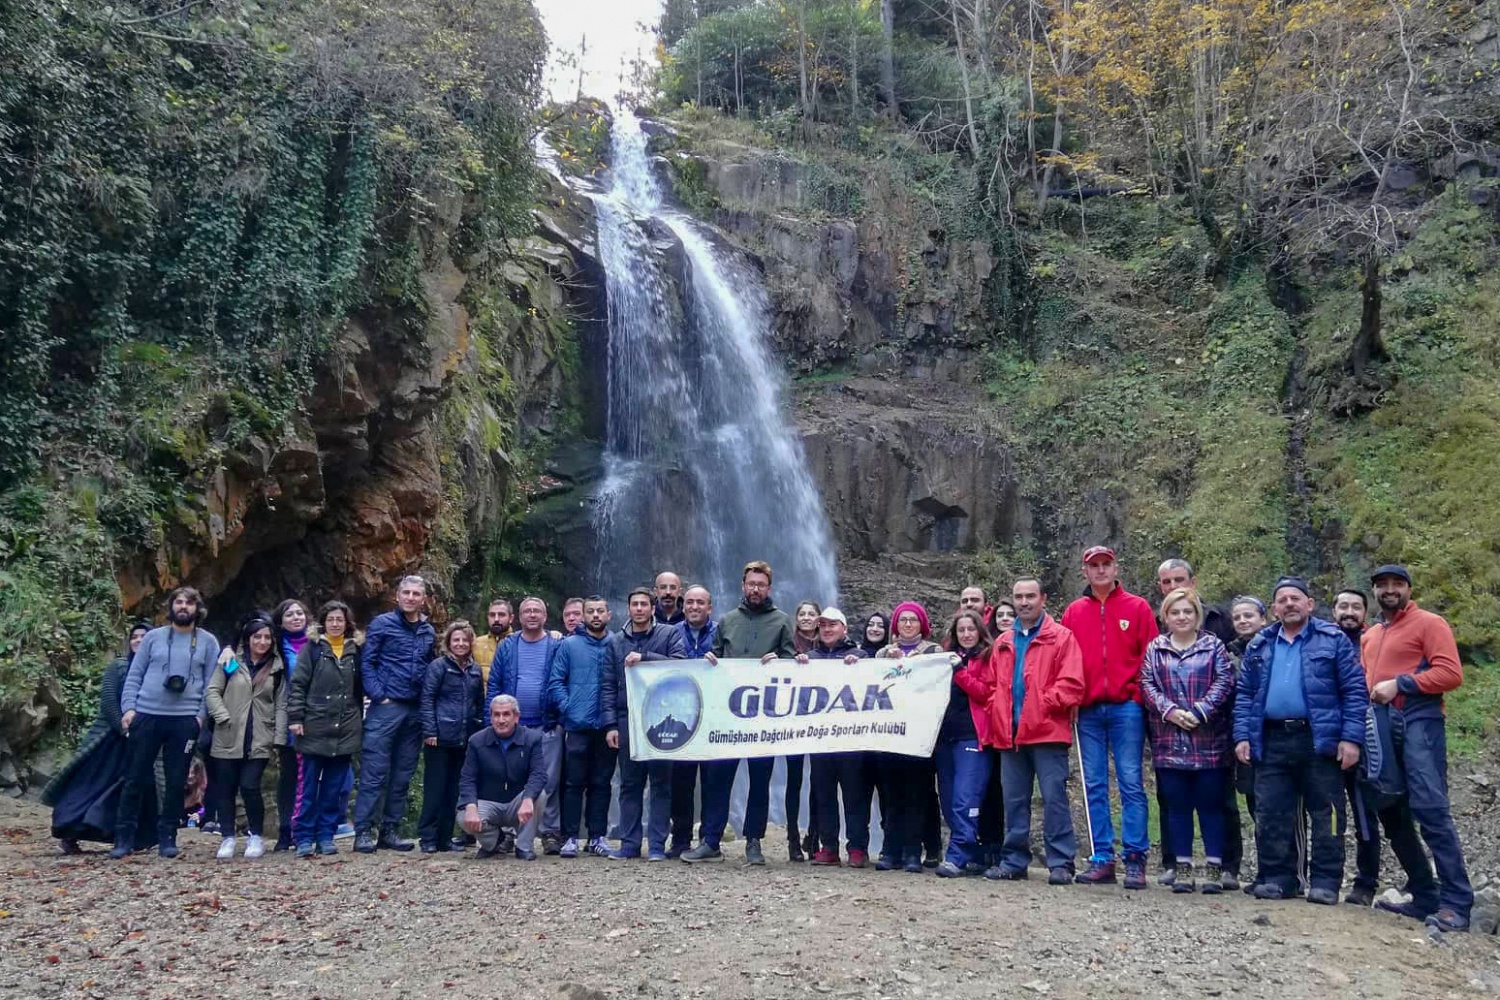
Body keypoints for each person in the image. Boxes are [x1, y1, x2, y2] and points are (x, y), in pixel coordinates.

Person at [1233, 576, 1366, 904]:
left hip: (1320, 739)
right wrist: (1242, 736)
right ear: (1274, 608)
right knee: (1272, 811)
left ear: (1309, 604)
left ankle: (1325, 880)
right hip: (1272, 737)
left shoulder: (1332, 640)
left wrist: (1351, 739)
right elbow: (1246, 694)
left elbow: (1354, 691)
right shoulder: (1261, 644)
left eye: (1296, 598)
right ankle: (1280, 878)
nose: (1289, 603)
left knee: (1328, 812)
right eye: (1282, 599)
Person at [1361, 565, 1473, 932]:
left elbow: (1450, 673)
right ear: (1375, 591)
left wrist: (1400, 683)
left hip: (1419, 722)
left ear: (1409, 589)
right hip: (1380, 726)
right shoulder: (1372, 633)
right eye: (1383, 585)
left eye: (1397, 584)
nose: (1390, 590)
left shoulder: (1430, 623)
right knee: (1391, 809)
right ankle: (1425, 893)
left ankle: (1457, 902)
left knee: (1430, 809)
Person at [686, 561, 797, 865]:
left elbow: (792, 665)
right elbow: (717, 655)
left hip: (764, 716)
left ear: (769, 588)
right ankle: (711, 841)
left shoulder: (782, 621)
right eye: (751, 583)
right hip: (728, 715)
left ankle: (754, 841)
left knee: (760, 780)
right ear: (743, 585)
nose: (756, 589)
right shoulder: (727, 620)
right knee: (718, 779)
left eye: (761, 584)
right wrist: (710, 658)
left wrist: (781, 660)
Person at [1062, 546, 1158, 888]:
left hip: (1126, 706)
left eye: (1106, 564)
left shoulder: (1137, 607)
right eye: (1094, 566)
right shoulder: (1074, 612)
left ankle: (1135, 857)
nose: (1100, 571)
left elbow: (1151, 655)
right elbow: (1066, 659)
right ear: (1085, 572)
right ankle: (1102, 856)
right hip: (1086, 709)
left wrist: (1136, 693)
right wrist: (1072, 697)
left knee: (1131, 781)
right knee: (1094, 784)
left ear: (1116, 568)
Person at [980, 577, 1084, 884]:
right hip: (1009, 734)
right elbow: (991, 687)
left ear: (1043, 599)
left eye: (1030, 596)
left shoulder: (1062, 637)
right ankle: (1014, 860)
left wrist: (1039, 705)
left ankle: (1061, 863)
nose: (1024, 602)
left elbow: (1072, 684)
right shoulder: (1003, 642)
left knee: (1054, 798)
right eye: (1018, 597)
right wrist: (997, 711)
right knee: (1013, 800)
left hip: (1048, 732)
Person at [113, 588, 221, 859]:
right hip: (147, 714)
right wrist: (129, 708)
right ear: (171, 607)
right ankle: (124, 838)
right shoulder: (153, 638)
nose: (183, 607)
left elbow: (212, 683)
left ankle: (168, 837)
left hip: (184, 719)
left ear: (198, 609)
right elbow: (135, 674)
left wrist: (200, 716)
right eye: (179, 602)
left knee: (176, 781)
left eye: (189, 603)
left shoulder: (207, 642)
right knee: (134, 777)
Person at [1140, 589, 1235, 894]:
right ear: (1165, 617)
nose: (1181, 617)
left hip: (1209, 740)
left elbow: (1225, 681)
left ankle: (1214, 867)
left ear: (1197, 615)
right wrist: (1170, 711)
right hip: (1169, 739)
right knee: (1177, 807)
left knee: (1211, 806)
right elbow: (1147, 683)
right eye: (1175, 612)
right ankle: (1182, 867)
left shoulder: (1214, 646)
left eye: (1187, 612)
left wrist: (1200, 711)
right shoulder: (1156, 648)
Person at [45, 622, 158, 854]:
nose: (138, 640)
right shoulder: (118, 667)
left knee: (134, 789)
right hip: (110, 740)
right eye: (134, 636)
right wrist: (123, 728)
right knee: (90, 786)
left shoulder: (156, 672)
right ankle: (69, 832)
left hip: (142, 741)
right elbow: (108, 702)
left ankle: (132, 838)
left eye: (143, 636)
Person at [354, 575, 436, 853]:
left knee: (403, 774)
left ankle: (390, 829)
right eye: (407, 593)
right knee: (374, 771)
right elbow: (367, 662)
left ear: (423, 599)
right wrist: (379, 695)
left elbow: (428, 667)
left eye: (416, 594)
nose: (411, 598)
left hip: (414, 709)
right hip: (386, 707)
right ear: (397, 596)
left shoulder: (428, 631)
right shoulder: (381, 624)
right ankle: (364, 831)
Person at [604, 588, 686, 860]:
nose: (639, 609)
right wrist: (611, 726)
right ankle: (629, 845)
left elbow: (680, 666)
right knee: (629, 784)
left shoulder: (669, 634)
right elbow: (607, 686)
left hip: (662, 720)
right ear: (628, 609)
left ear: (653, 609)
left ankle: (656, 847)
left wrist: (646, 658)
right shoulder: (615, 642)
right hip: (627, 720)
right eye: (634, 604)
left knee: (661, 783)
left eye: (644, 604)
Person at [205, 616, 288, 860]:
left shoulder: (277, 667)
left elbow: (282, 704)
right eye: (257, 637)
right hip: (228, 733)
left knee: (250, 786)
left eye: (266, 637)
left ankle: (255, 836)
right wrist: (221, 716)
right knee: (226, 788)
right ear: (248, 639)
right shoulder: (232, 662)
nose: (262, 642)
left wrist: (279, 736)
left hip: (260, 735)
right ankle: (228, 836)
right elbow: (212, 691)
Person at [487, 596, 565, 855]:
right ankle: (509, 833)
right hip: (512, 730)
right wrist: (493, 719)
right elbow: (495, 684)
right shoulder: (508, 646)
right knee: (511, 780)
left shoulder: (556, 645)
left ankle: (550, 832)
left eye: (537, 611)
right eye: (527, 611)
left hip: (547, 724)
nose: (532, 615)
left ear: (545, 616)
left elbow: (564, 679)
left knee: (549, 781)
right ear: (518, 617)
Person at [288, 601, 362, 857]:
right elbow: (298, 685)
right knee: (309, 787)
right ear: (323, 622)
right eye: (330, 619)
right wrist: (296, 717)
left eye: (339, 620)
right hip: (314, 724)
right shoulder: (312, 649)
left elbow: (360, 688)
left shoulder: (356, 650)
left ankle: (326, 836)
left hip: (346, 727)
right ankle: (304, 837)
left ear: (347, 623)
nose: (335, 624)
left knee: (335, 789)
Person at [798, 609, 871, 867]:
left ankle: (858, 848)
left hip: (851, 740)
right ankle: (828, 847)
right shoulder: (810, 658)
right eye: (824, 626)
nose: (827, 629)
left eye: (833, 625)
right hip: (821, 740)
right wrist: (798, 667)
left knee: (855, 796)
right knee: (824, 795)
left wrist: (861, 667)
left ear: (844, 628)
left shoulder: (860, 656)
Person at [875, 601, 944, 873]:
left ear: (922, 625)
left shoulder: (933, 652)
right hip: (889, 734)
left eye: (913, 620)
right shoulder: (882, 653)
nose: (907, 624)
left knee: (917, 794)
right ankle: (891, 850)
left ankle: (914, 852)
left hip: (920, 734)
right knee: (891, 796)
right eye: (902, 620)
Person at [547, 596, 619, 858]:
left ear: (609, 615)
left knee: (602, 782)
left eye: (600, 611)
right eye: (591, 611)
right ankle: (570, 837)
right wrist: (569, 708)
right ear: (583, 615)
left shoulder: (616, 643)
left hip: (608, 725)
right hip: (577, 725)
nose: (596, 615)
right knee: (573, 782)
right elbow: (555, 682)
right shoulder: (569, 645)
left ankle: (597, 836)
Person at [932, 609, 995, 878]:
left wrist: (960, 672)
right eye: (961, 630)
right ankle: (974, 852)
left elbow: (986, 693)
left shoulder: (988, 658)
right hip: (946, 738)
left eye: (971, 629)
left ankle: (956, 856)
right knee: (947, 800)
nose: (966, 634)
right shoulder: (945, 659)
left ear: (980, 631)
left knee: (964, 798)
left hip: (973, 737)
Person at [1332, 587, 1381, 907]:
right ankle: (1328, 876)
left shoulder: (1374, 640)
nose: (1349, 612)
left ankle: (1366, 881)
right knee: (1332, 813)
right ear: (1333, 610)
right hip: (1325, 741)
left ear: (1365, 611)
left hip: (1365, 738)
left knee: (1365, 813)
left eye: (1356, 607)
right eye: (1343, 607)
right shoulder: (1323, 641)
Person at [418, 621, 484, 853]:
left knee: (453, 790)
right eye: (456, 640)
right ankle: (428, 837)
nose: (460, 644)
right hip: (439, 737)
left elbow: (479, 703)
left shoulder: (475, 670)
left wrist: (476, 731)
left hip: (464, 738)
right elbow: (427, 699)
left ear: (470, 643)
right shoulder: (438, 666)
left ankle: (445, 838)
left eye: (464, 640)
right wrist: (430, 731)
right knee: (435, 789)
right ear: (448, 642)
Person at [458, 695, 548, 859]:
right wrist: (471, 806)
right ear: (490, 717)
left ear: (516, 717)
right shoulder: (476, 741)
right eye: (496, 715)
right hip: (488, 801)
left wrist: (528, 798)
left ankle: (524, 847)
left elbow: (539, 774)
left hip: (517, 803)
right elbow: (467, 778)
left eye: (506, 714)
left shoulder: (532, 738)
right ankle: (494, 842)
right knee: (464, 816)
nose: (501, 720)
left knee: (539, 796)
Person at [669, 585, 717, 858]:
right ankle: (680, 838)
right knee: (681, 781)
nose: (694, 607)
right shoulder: (670, 632)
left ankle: (709, 839)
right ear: (682, 605)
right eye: (689, 602)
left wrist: (719, 662)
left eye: (700, 603)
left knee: (712, 781)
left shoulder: (721, 632)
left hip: (714, 718)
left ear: (709, 607)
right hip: (681, 717)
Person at [1226, 595, 1268, 892]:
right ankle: (1264, 872)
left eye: (1249, 615)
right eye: (1238, 617)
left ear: (1263, 618)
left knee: (1274, 808)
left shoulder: (1275, 646)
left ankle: (1286, 871)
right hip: (1240, 735)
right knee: (1254, 803)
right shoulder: (1230, 653)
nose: (1243, 621)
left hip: (1271, 735)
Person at [977, 599, 1017, 866]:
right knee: (988, 789)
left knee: (1011, 790)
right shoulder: (986, 651)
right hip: (989, 729)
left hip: (1019, 727)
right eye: (1000, 614)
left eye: (1009, 614)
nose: (1004, 618)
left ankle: (1011, 848)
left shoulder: (1022, 645)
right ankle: (989, 845)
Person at [270, 599, 312, 851]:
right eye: (289, 614)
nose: (296, 617)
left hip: (316, 716)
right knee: (289, 775)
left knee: (312, 774)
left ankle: (307, 829)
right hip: (285, 715)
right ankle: (286, 830)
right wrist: (229, 648)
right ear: (280, 621)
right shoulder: (275, 646)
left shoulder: (318, 643)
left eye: (299, 613)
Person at [1155, 559, 1236, 643]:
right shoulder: (1155, 623)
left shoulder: (1220, 617)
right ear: (1161, 587)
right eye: (1166, 582)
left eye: (1179, 580)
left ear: (1193, 582)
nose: (1173, 586)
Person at [472, 599, 513, 688]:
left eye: (501, 615)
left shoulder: (518, 643)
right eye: (492, 615)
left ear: (511, 618)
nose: (496, 619)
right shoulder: (476, 644)